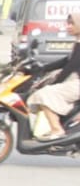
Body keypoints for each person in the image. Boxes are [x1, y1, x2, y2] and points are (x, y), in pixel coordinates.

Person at [28, 11, 80, 139]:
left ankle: (57, 129)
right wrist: (43, 68)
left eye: (71, 24)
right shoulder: (77, 42)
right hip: (75, 82)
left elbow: (70, 67)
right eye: (68, 23)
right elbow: (66, 61)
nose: (68, 26)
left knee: (44, 93)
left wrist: (56, 82)